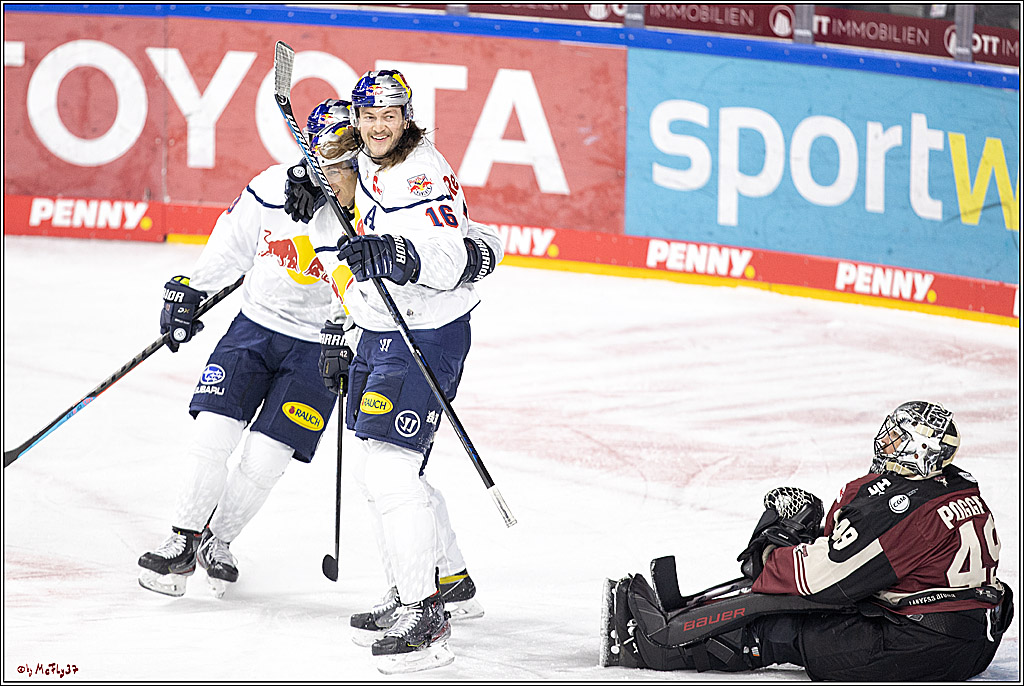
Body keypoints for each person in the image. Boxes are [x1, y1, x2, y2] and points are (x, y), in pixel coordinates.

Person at [136, 98, 501, 606]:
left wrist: (343, 333)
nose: (338, 165)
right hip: (256, 327)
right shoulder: (273, 188)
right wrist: (191, 288)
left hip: (323, 345)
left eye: (348, 153)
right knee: (213, 433)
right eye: (326, 154)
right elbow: (232, 244)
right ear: (308, 153)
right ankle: (181, 538)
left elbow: (385, 279)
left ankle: (216, 541)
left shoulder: (380, 197)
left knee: (267, 459)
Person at [602, 401, 1013, 681]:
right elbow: (872, 561)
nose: (885, 443)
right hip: (972, 640)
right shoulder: (957, 487)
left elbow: (822, 581)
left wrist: (771, 551)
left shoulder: (904, 508)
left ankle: (661, 649)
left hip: (923, 646)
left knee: (784, 628)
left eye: (896, 438)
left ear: (918, 450)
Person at [309, 69, 497, 671]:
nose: (378, 126)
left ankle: (424, 611)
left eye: (390, 115)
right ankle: (447, 583)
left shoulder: (425, 173)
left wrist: (398, 254)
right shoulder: (366, 163)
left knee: (391, 473)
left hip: (426, 330)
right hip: (381, 329)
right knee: (378, 471)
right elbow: (340, 240)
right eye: (369, 116)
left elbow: (451, 255)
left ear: (407, 115)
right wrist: (312, 185)